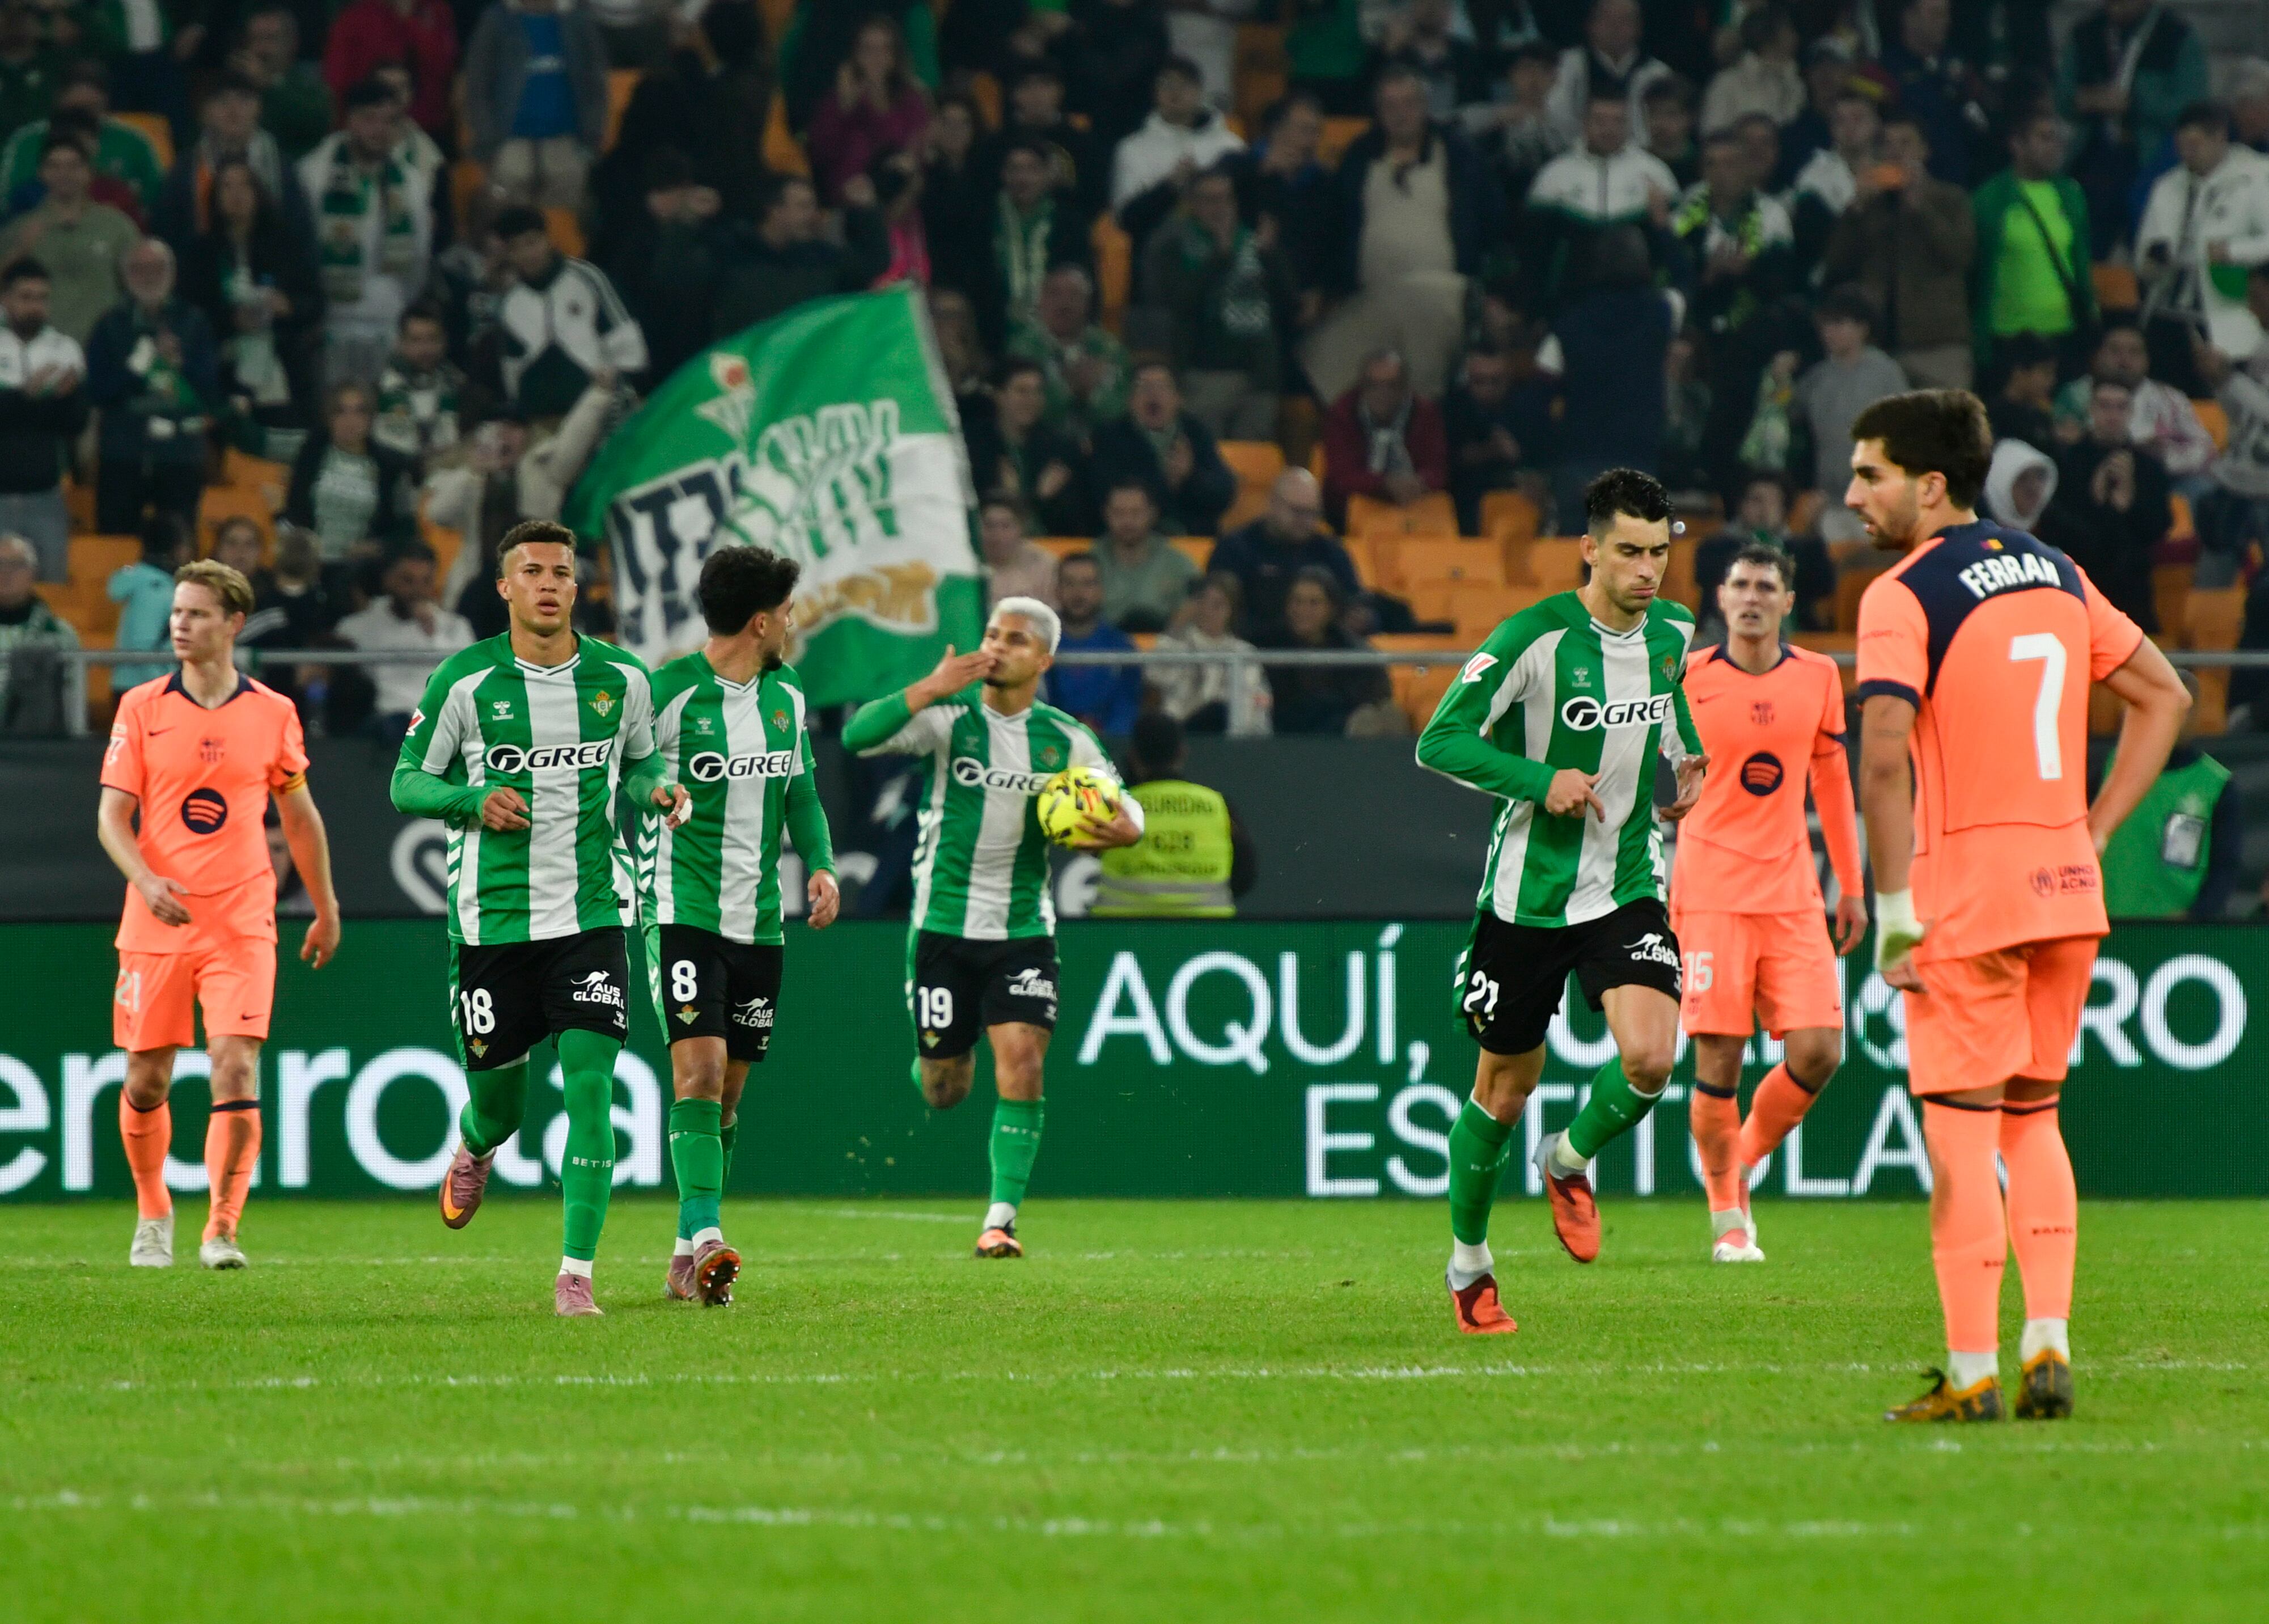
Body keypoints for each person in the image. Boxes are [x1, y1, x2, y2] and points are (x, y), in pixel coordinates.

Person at [1847, 388, 2188, 1422]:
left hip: (1964, 893)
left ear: (1929, 483)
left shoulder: (1902, 593)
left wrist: (1894, 901)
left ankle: (1970, 1370)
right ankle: (2046, 1339)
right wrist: (2091, 830)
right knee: (2033, 1117)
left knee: (1958, 1135)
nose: (1853, 494)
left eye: (1870, 474)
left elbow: (1880, 757)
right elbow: (2164, 694)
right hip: (2063, 888)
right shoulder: (2054, 568)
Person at [1415, 467, 1706, 1334]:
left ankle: (1568, 1157)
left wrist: (1683, 761)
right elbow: (1439, 740)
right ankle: (1468, 1266)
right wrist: (1541, 781)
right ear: (1588, 549)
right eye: (1627, 551)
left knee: (1652, 1059)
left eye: (1657, 553)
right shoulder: (1531, 639)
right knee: (1502, 1091)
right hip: (1526, 900)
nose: (1645, 570)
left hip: (1623, 885)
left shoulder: (1673, 631)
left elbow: (1665, 704)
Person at [399, 519, 687, 1316]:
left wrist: (656, 790)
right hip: (490, 926)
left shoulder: (622, 678)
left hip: (591, 913)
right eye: (532, 571)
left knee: (591, 1088)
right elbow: (405, 783)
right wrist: (469, 799)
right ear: (505, 587)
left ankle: (575, 1275)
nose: (550, 584)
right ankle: (476, 1145)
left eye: (562, 571)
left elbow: (639, 762)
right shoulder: (464, 682)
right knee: (501, 1106)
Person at [841, 596, 1144, 1258]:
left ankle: (1000, 1219)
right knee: (946, 1087)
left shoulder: (1066, 739)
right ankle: (936, 1056)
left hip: (1023, 929)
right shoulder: (946, 718)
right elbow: (856, 736)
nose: (998, 646)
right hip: (943, 926)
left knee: (1025, 1062)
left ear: (1043, 658)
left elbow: (1122, 801)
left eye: (1014, 639)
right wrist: (927, 688)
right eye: (991, 634)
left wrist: (1130, 825)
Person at [96, 556, 341, 1270]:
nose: (180, 623)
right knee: (147, 1080)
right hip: (156, 919)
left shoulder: (272, 712)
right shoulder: (142, 706)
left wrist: (324, 907)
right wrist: (143, 879)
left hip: (242, 919)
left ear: (234, 623)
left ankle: (222, 1229)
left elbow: (301, 817)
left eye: (197, 613)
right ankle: (153, 1211)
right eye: (177, 611)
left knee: (235, 1068)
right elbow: (112, 816)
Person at [644, 544, 839, 1305]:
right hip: (680, 909)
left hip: (759, 923)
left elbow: (801, 795)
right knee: (695, 1073)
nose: (792, 623)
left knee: (725, 1095)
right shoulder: (665, 694)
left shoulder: (785, 697)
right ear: (760, 621)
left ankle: (681, 1253)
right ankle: (708, 1237)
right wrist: (653, 786)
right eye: (788, 612)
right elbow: (625, 775)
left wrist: (820, 864)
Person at [1671, 542, 1865, 1263]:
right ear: (1720, 599)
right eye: (1739, 585)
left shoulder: (1817, 675)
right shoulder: (1686, 677)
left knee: (1820, 1050)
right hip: (1712, 891)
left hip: (1790, 891)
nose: (1751, 597)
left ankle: (1740, 1158)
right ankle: (1728, 1216)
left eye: (1766, 586)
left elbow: (1833, 779)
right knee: (1718, 1062)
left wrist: (1851, 880)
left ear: (1788, 601)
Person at [1310, 64, 1498, 400]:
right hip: (1373, 300)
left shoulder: (1460, 156)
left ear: (1425, 106)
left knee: (1425, 398)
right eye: (1390, 106)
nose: (1401, 114)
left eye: (1409, 104)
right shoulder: (1358, 158)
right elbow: (1335, 227)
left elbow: (1490, 224)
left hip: (1441, 302)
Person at [1818, 112, 1972, 392]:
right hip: (1879, 343)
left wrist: (1921, 207)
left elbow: (1961, 254)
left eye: (1906, 144)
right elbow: (1837, 262)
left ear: (1924, 151)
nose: (1897, 153)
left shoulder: (1950, 199)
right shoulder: (1871, 205)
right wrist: (1857, 208)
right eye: (1889, 145)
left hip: (1937, 344)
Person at [179, 156, 321, 458]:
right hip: (225, 368)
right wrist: (231, 320)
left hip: (282, 367)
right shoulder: (200, 253)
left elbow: (315, 303)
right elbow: (189, 313)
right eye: (227, 187)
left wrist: (289, 306)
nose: (236, 195)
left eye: (244, 185)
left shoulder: (287, 245)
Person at [1140, 164, 1292, 442]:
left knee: (1252, 462)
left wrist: (1271, 257)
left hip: (1259, 376)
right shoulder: (1174, 244)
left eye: (1225, 199)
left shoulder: (1255, 244)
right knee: (1207, 457)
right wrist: (1218, 259)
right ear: (1192, 204)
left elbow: (1287, 305)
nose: (1218, 208)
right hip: (1205, 374)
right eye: (1209, 200)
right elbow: (1177, 303)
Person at [299, 78, 434, 388]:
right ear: (349, 121)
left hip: (387, 319)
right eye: (370, 119)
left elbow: (418, 259)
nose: (380, 130)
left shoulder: (411, 183)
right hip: (331, 321)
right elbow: (303, 254)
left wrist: (396, 299)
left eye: (390, 121)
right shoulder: (314, 176)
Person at [2135, 102, 2269, 398]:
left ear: (2219, 137)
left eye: (2195, 144)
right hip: (2169, 309)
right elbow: (2143, 252)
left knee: (2229, 401)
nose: (2187, 153)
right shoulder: (2168, 185)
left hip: (2228, 308)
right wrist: (2154, 258)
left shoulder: (2257, 176)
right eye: (2181, 145)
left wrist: (2233, 252)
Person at [86, 238, 218, 536]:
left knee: (179, 545)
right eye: (139, 269)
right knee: (115, 543)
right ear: (125, 276)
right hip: (122, 455)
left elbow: (209, 391)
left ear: (172, 273)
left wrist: (180, 364)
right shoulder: (110, 325)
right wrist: (141, 368)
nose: (149, 276)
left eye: (157, 268)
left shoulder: (194, 323)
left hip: (180, 455)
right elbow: (98, 391)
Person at [2059, 0, 2207, 259]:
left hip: (2151, 161)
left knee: (2147, 249)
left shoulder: (2176, 36)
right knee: (2082, 247)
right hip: (2094, 157)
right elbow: (2061, 95)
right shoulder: (2086, 33)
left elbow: (2192, 106)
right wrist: (2087, 100)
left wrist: (2135, 103)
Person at [1971, 108, 2097, 379]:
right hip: (2007, 335)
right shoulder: (1990, 198)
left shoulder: (2071, 193)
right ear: (2017, 145)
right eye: (2045, 138)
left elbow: (2082, 258)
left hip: (2063, 332)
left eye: (2058, 140)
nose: (2055, 147)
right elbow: (1976, 266)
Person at [1093, 709, 1256, 916]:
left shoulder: (1116, 807)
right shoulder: (1217, 805)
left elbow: (1089, 851)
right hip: (1207, 933)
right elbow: (1245, 875)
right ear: (1182, 752)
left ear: (1133, 756)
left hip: (1123, 933)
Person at [492, 204, 646, 419]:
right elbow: (512, 370)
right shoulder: (510, 303)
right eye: (517, 247)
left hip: (600, 406)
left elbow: (628, 342)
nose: (528, 254)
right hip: (543, 418)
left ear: (548, 239)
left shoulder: (589, 279)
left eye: (532, 242)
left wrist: (618, 377)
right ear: (509, 254)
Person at [2046, 377, 2173, 632]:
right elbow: (2056, 528)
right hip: (2079, 585)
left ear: (2131, 412)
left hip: (2132, 590)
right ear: (2091, 410)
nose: (2113, 415)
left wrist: (2128, 504)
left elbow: (2159, 527)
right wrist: (2095, 500)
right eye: (2105, 406)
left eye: (2121, 407)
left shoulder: (2150, 468)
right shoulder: (2065, 462)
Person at [464, 0, 609, 211]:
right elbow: (478, 84)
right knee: (511, 226)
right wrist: (487, 138)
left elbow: (595, 81)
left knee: (565, 226)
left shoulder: (578, 20)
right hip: (509, 143)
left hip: (567, 143)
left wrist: (593, 134)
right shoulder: (497, 20)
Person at [0, 134, 141, 344]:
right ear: (41, 173)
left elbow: (141, 287)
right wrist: (20, 251)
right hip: (40, 352)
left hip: (106, 350)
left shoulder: (117, 227)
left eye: (73, 166)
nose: (64, 174)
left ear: (89, 172)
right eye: (54, 166)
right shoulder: (19, 230)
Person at [1790, 287, 1907, 527]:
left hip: (1877, 496)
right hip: (1830, 499)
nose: (1829, 333)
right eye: (1825, 325)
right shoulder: (1816, 377)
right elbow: (1790, 416)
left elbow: (1906, 429)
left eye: (1839, 324)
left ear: (1862, 328)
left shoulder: (1886, 373)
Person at [0, 256, 85, 581]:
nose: (35, 306)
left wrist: (27, 403)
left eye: (41, 298)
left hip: (45, 493)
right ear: (6, 299)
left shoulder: (65, 350)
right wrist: (31, 397)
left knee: (52, 585)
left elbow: (75, 422)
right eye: (25, 298)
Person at [2050, 322, 2214, 488]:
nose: (2125, 360)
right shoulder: (2075, 394)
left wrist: (2163, 458)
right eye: (2115, 351)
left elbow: (2204, 447)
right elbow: (2062, 440)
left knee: (2202, 486)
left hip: (2162, 479)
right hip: (2090, 478)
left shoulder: (2170, 397)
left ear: (2147, 359)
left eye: (2134, 352)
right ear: (2098, 355)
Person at [333, 543, 473, 736]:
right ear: (387, 580)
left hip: (439, 723)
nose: (418, 590)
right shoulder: (358, 626)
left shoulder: (456, 627)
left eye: (426, 582)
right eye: (408, 581)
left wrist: (432, 633)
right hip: (383, 724)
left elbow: (468, 680)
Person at [1110, 54, 1244, 249]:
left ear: (1199, 91)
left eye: (1184, 85)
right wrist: (1170, 186)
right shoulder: (1132, 149)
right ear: (1155, 92)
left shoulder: (1230, 146)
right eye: (1166, 85)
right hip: (1157, 258)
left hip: (1224, 252)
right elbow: (1127, 219)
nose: (1175, 93)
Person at [1089, 360, 1233, 537]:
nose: (1153, 395)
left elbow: (1223, 494)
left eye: (1161, 387)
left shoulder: (1195, 432)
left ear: (1178, 398)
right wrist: (1167, 483)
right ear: (1130, 399)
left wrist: (1191, 476)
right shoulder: (1109, 437)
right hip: (1131, 538)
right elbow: (1103, 497)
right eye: (1143, 388)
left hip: (1192, 535)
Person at [284, 379, 417, 572]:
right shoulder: (310, 454)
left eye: (359, 411)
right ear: (329, 418)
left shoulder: (391, 466)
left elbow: (406, 531)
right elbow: (294, 510)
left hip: (362, 570)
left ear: (371, 418)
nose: (350, 420)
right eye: (341, 411)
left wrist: (375, 547)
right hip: (309, 564)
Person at [1207, 466, 1357, 636]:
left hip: (1319, 651)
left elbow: (1352, 603)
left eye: (1312, 513)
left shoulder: (1330, 552)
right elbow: (1218, 609)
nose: (1305, 520)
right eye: (1297, 511)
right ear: (1273, 503)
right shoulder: (1235, 549)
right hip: (1254, 649)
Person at [0, 60, 163, 215]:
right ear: (59, 100)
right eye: (75, 110)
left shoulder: (133, 140)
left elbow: (156, 196)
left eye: (91, 108)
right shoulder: (27, 141)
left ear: (106, 101)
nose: (82, 118)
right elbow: (7, 199)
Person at [807, 15, 930, 206]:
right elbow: (822, 154)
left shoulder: (910, 100)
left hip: (901, 196)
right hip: (851, 199)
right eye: (868, 49)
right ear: (855, 54)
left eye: (885, 49)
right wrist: (846, 107)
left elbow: (917, 150)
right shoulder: (836, 101)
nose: (877, 57)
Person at [963, 357, 1091, 537]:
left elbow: (1074, 520)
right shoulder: (973, 446)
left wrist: (1036, 500)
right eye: (1022, 391)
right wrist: (1035, 497)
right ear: (999, 396)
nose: (1031, 400)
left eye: (1037, 392)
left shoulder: (1061, 450)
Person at [1319, 348, 1448, 525]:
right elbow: (1341, 476)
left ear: (1405, 387)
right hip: (1349, 512)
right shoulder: (1343, 412)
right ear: (1362, 386)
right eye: (1373, 385)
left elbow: (1439, 469)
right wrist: (1384, 485)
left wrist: (1420, 482)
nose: (1381, 393)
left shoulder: (1425, 413)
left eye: (1391, 386)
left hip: (1417, 504)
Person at [1259, 565, 1390, 735]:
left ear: (1331, 609)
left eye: (1314, 603)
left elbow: (1375, 695)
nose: (1303, 610)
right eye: (1297, 601)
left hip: (1344, 740)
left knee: (1387, 715)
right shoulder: (1268, 648)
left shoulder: (1354, 652)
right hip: (1286, 740)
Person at [1006, 263, 1129, 440]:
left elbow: (1122, 410)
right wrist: (1069, 389)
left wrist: (1093, 396)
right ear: (1041, 301)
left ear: (1088, 303)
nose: (1064, 304)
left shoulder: (1110, 350)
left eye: (1074, 295)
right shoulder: (1023, 350)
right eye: (1054, 294)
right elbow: (1023, 413)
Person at [1444, 344, 1552, 534]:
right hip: (1465, 506)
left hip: (1519, 505)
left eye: (1496, 381)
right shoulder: (1451, 410)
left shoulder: (1528, 411)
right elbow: (1446, 464)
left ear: (1509, 378)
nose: (1488, 389)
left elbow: (1542, 460)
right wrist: (1490, 451)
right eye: (1480, 381)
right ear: (1467, 380)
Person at [323, 0, 458, 144]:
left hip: (428, 127)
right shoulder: (356, 18)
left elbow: (443, 66)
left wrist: (408, 18)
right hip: (367, 132)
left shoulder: (436, 11)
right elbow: (337, 80)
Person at [1151, 570, 1269, 734]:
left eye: (1217, 605)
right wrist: (1175, 628)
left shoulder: (1244, 652)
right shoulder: (1175, 644)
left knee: (1219, 712)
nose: (1207, 611)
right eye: (1203, 602)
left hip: (1228, 738)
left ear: (1232, 610)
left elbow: (1254, 705)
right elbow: (1154, 679)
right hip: (1177, 733)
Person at [1543, 0, 1671, 149]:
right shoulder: (1568, 64)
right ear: (1590, 24)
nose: (1615, 27)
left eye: (1625, 19)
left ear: (1639, 27)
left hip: (1642, 158)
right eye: (1606, 18)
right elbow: (1556, 114)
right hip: (1578, 155)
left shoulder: (1657, 73)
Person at [1789, 87, 1879, 283]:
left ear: (1876, 124)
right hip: (1831, 279)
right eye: (1840, 121)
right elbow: (1812, 240)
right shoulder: (1813, 175)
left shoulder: (1892, 172)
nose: (1849, 127)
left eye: (1857, 119)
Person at [1045, 550, 1139, 734]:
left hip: (1109, 747)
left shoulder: (1121, 646)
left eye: (1087, 584)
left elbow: (1127, 707)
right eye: (1069, 583)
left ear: (1101, 591)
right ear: (1056, 590)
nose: (1078, 593)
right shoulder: (1039, 644)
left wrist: (1103, 736)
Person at [1090, 477, 1196, 632]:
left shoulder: (1178, 563)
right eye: (1119, 513)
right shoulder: (1091, 561)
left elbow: (1197, 603)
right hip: (1104, 649)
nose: (1127, 521)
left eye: (1136, 513)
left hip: (1164, 650)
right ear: (1106, 514)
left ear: (1152, 514)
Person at [233, 5, 333, 162]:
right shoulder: (233, 85)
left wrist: (269, 85)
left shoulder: (307, 85)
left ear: (292, 43)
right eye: (256, 39)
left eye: (270, 39)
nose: (262, 49)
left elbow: (316, 123)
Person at [108, 513, 195, 690]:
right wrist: (165, 687)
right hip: (143, 688)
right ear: (176, 548)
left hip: (142, 686)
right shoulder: (154, 589)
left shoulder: (155, 584)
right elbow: (142, 649)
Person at [371, 302, 462, 468]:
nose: (425, 349)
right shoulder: (378, 391)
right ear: (401, 342)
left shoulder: (459, 389)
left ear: (444, 341)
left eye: (432, 339)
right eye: (416, 340)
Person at [0, 529, 75, 728]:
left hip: (34, 747)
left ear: (33, 573)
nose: (6, 574)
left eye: (16, 566)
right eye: (0, 565)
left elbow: (72, 698)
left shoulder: (60, 634)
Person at [1700, 5, 1801, 136]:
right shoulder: (1726, 83)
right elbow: (1712, 133)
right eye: (1789, 31)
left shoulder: (1795, 83)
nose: (1795, 37)